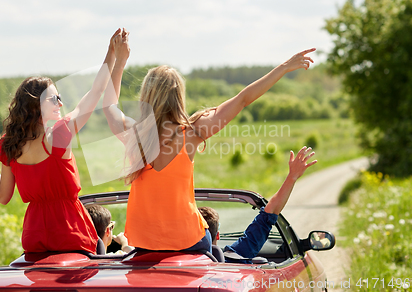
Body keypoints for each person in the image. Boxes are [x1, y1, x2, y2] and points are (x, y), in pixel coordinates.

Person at [103, 44, 316, 253]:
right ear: (178, 96)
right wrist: (284, 67)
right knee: (221, 252)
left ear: (146, 95)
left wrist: (118, 60)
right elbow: (242, 99)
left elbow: (109, 106)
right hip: (188, 239)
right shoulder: (193, 132)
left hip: (144, 241)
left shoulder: (134, 134)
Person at [0, 28, 131, 254]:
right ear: (37, 104)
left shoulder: (10, 144)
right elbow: (95, 93)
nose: (60, 103)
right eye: (54, 98)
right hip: (71, 234)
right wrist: (111, 53)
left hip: (33, 238)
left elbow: (3, 196)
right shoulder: (59, 134)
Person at [199, 146, 317, 263]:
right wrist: (292, 177)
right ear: (217, 235)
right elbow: (271, 211)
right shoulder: (237, 257)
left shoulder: (180, 266)